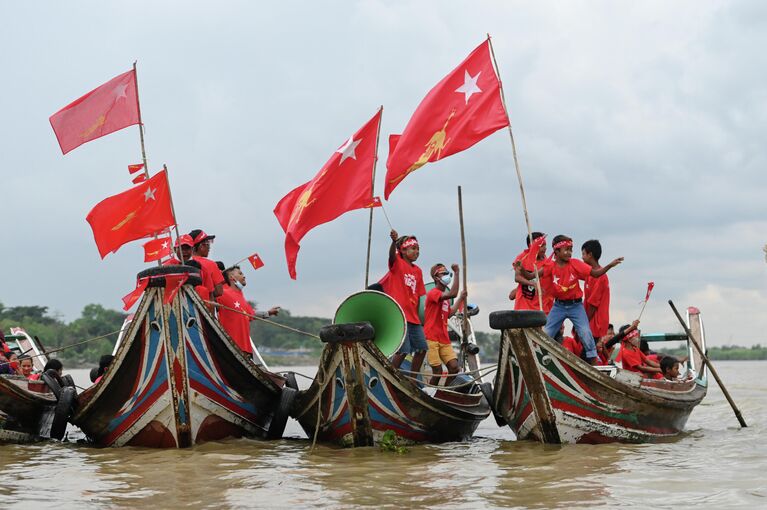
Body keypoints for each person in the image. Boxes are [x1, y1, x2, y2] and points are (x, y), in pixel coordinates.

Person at [519, 235, 623, 364]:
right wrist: (521, 268)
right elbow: (530, 275)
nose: (569, 253)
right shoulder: (550, 266)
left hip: (576, 306)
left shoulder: (575, 264)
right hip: (559, 307)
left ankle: (594, 364)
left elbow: (596, 273)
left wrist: (610, 265)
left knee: (585, 333)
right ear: (556, 252)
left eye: (571, 249)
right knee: (546, 333)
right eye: (566, 250)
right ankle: (535, 359)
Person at [379, 230, 427, 374]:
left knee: (422, 348)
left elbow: (418, 296)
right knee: (403, 350)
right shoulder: (397, 264)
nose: (417, 251)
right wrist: (393, 242)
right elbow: (391, 256)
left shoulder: (418, 271)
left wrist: (418, 318)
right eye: (413, 248)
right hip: (399, 315)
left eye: (418, 249)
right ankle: (391, 376)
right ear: (404, 250)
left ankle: (413, 379)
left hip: (413, 318)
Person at [218, 265, 279, 355]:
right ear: (231, 277)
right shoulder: (223, 293)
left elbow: (252, 314)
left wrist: (268, 313)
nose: (244, 276)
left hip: (246, 349)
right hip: (231, 347)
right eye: (240, 273)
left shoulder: (241, 296)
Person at [423, 263, 466, 386]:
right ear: (436, 278)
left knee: (454, 368)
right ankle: (432, 392)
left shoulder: (445, 299)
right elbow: (453, 293)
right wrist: (457, 273)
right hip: (431, 337)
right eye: (444, 274)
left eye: (448, 273)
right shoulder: (433, 293)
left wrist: (461, 299)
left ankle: (445, 391)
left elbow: (450, 313)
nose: (447, 276)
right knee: (438, 371)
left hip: (444, 339)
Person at [512, 232, 553, 313]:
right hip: (522, 307)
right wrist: (532, 284)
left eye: (545, 245)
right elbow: (517, 277)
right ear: (531, 246)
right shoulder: (522, 257)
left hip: (541, 308)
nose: (545, 248)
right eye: (541, 245)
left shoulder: (549, 263)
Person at [582, 240, 611, 341]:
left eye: (583, 254)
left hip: (595, 324)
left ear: (590, 255)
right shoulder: (589, 273)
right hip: (589, 323)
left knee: (587, 355)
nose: (582, 257)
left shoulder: (600, 277)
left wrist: (582, 323)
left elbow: (593, 304)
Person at [188, 229, 225, 299]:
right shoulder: (211, 264)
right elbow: (219, 291)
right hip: (205, 306)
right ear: (201, 246)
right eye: (208, 244)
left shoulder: (183, 262)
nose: (209, 247)